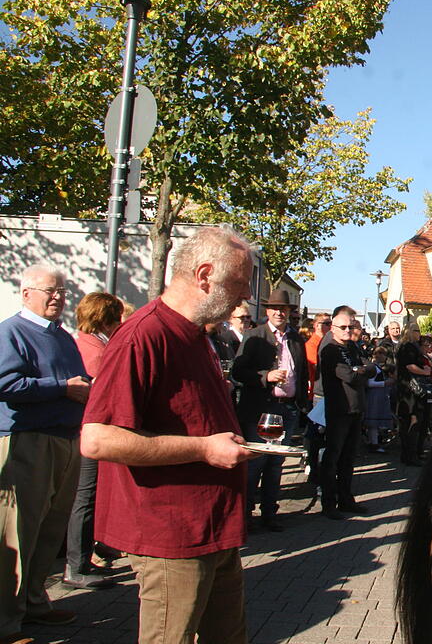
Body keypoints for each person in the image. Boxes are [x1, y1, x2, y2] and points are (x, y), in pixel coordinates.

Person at [80, 227, 261, 644]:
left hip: (213, 527)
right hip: (171, 537)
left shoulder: (197, 336)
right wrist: (204, 448)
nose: (244, 298)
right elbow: (97, 439)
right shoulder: (143, 335)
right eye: (237, 284)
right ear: (203, 275)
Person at [0, 265, 91, 642]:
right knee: (18, 533)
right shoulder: (12, 332)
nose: (58, 297)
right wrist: (61, 388)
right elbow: (5, 383)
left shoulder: (63, 336)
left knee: (50, 529)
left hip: (66, 440)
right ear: (26, 294)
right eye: (50, 291)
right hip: (28, 440)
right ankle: (6, 622)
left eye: (62, 291)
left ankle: (35, 602)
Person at [64, 291, 125, 590]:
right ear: (106, 318)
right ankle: (76, 565)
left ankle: (89, 553)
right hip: (91, 432)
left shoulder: (92, 343)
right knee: (85, 498)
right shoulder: (93, 349)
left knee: (92, 495)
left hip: (92, 431)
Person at [232, 289, 306, 532]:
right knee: (256, 463)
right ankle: (245, 515)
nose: (279, 312)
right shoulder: (255, 336)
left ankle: (269, 513)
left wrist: (301, 403)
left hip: (287, 408)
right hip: (262, 409)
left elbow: (302, 372)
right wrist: (266, 376)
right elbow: (238, 372)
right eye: (275, 308)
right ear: (267, 311)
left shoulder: (295, 339)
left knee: (276, 465)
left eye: (284, 309)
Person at [316, 311, 369, 519]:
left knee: (348, 458)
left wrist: (360, 370)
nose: (348, 331)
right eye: (343, 328)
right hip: (339, 409)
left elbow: (371, 368)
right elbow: (347, 376)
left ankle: (346, 499)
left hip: (356, 409)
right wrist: (360, 371)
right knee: (333, 458)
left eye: (350, 327)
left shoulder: (353, 347)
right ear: (333, 328)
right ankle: (329, 503)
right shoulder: (330, 350)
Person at [396, 325, 432, 466]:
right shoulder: (408, 347)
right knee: (412, 423)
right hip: (410, 391)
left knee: (415, 423)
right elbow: (409, 366)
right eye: (417, 331)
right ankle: (410, 456)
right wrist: (425, 372)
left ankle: (412, 454)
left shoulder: (409, 346)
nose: (419, 334)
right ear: (410, 332)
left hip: (410, 390)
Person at [364, 345, 393, 453]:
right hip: (374, 396)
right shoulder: (373, 367)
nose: (380, 356)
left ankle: (375, 442)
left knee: (376, 422)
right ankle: (374, 444)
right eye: (378, 354)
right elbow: (369, 383)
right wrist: (385, 383)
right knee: (373, 422)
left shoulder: (379, 367)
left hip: (380, 395)